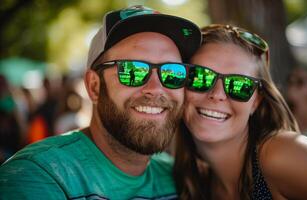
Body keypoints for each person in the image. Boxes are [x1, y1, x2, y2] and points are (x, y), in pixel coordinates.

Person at [0, 5, 201, 199]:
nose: (156, 88)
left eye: (173, 73)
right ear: (94, 86)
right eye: (132, 71)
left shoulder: (180, 178)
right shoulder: (36, 178)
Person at [173, 24, 307, 200]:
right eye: (200, 77)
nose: (217, 94)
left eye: (239, 85)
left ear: (256, 101)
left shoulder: (279, 155)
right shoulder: (196, 182)